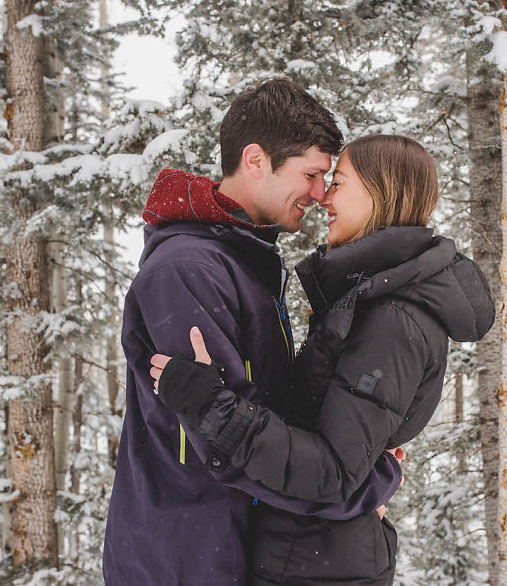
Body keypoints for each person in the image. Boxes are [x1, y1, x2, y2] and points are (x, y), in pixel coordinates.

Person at [151, 134, 496, 585]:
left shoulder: (393, 318)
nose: (324, 197)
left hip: (319, 566)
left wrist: (212, 407)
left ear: (380, 193)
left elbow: (333, 473)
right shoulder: (371, 298)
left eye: (338, 183)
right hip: (308, 553)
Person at [102, 80, 404, 585]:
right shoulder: (189, 272)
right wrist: (357, 492)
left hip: (228, 550)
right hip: (187, 562)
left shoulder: (244, 263)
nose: (317, 193)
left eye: (326, 178)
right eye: (310, 174)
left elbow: (266, 416)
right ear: (256, 159)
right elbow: (229, 447)